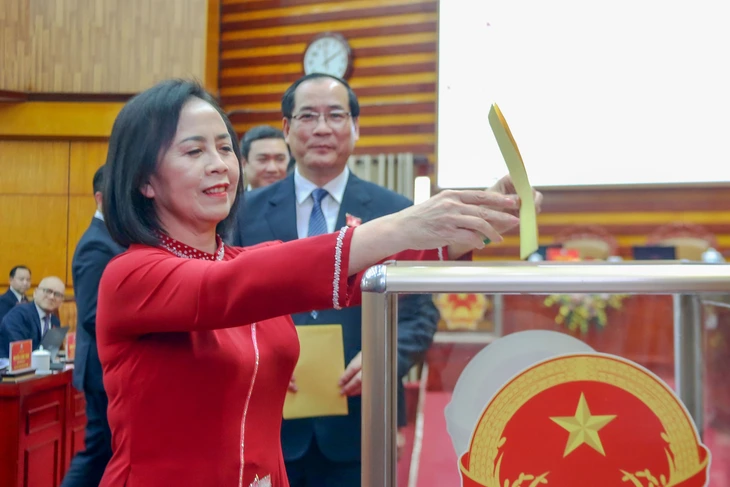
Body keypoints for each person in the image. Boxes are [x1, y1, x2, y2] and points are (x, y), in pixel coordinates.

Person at [97, 78, 539, 487]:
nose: (219, 165)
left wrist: (477, 217)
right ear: (144, 180)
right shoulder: (131, 276)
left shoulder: (240, 259)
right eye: (194, 152)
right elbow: (229, 285)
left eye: (225, 148)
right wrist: (402, 225)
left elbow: (366, 274)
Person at [233, 73, 440, 485]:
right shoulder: (242, 213)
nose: (322, 128)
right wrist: (255, 354)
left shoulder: (395, 214)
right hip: (265, 422)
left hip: (361, 424)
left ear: (355, 127)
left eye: (335, 115)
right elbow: (225, 305)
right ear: (287, 129)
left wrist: (385, 357)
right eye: (308, 116)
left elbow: (419, 314)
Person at [61, 165, 125, 487]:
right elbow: (91, 314)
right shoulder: (96, 244)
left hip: (109, 368)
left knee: (107, 450)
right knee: (98, 450)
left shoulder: (116, 238)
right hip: (100, 370)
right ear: (100, 198)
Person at [0, 276, 64, 357]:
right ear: (35, 293)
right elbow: (20, 352)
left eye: (57, 294)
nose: (52, 297)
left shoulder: (55, 321)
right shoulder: (18, 315)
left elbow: (51, 352)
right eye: (48, 291)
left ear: (62, 301)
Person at [241, 125, 290, 190]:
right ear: (244, 163)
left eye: (280, 159)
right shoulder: (233, 196)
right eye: (263, 159)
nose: (272, 169)